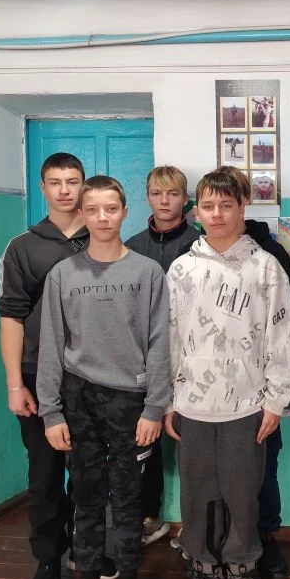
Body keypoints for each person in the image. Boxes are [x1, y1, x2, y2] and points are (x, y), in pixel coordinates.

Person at [36, 175, 168, 579]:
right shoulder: (63, 274)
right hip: (79, 398)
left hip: (131, 400)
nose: (102, 217)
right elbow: (52, 345)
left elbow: (159, 343)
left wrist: (154, 406)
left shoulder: (147, 273)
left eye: (111, 208)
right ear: (82, 215)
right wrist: (51, 412)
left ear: (125, 212)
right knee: (86, 497)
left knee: (129, 498)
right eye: (92, 209)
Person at [166, 168, 290, 579]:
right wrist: (168, 400)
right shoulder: (181, 269)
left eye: (226, 205)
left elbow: (281, 335)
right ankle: (204, 569)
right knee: (197, 492)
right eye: (208, 206)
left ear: (243, 207)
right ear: (196, 212)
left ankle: (243, 567)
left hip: (247, 404)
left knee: (242, 491)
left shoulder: (265, 267)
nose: (217, 213)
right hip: (192, 404)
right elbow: (169, 336)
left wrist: (276, 399)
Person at [0, 153, 118, 579]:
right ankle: (48, 560)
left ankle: (86, 552)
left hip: (94, 378)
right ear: (43, 187)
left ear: (85, 186)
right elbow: (11, 317)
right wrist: (15, 384)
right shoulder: (23, 247)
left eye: (73, 181)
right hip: (38, 376)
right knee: (45, 474)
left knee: (90, 473)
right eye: (55, 182)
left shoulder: (104, 236)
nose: (65, 190)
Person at [124, 166, 199, 548]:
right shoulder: (132, 246)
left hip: (194, 358)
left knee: (194, 442)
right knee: (145, 440)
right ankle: (148, 517)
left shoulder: (202, 243)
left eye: (172, 193)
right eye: (157, 193)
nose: (164, 200)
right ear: (148, 198)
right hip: (145, 357)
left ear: (185, 198)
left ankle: (197, 524)